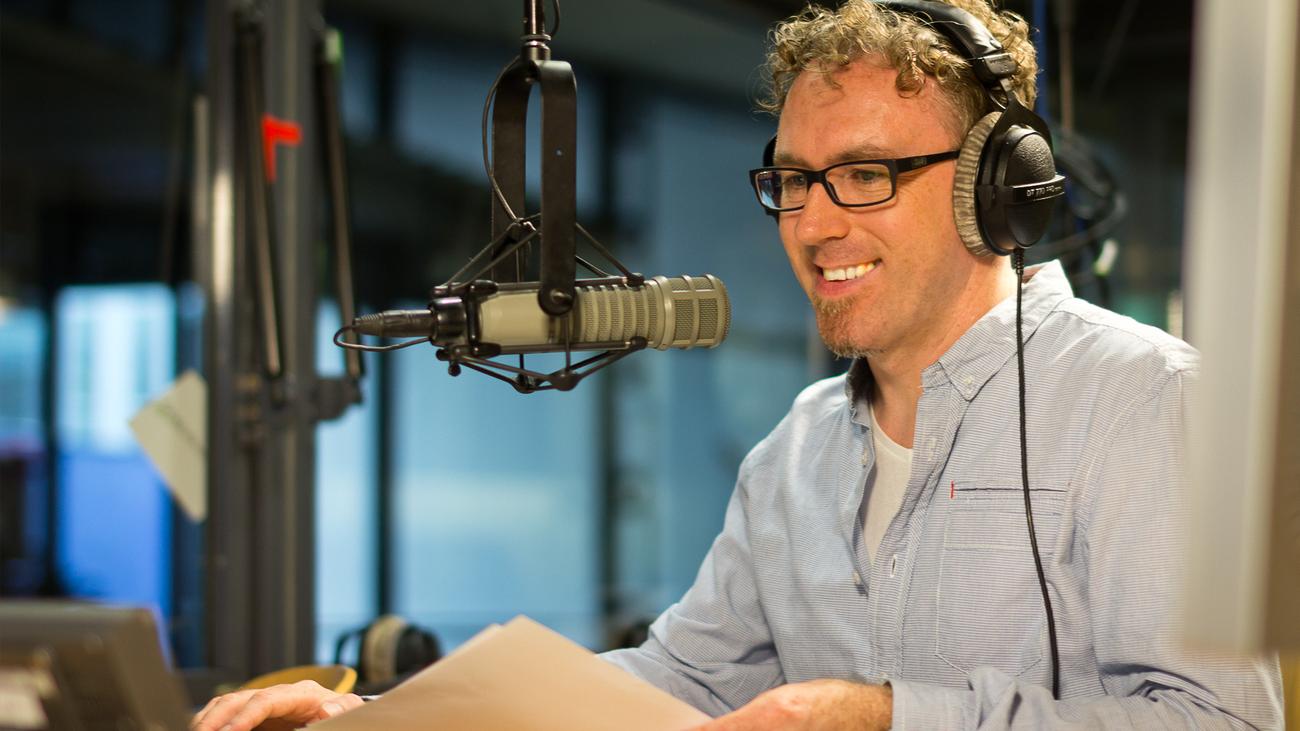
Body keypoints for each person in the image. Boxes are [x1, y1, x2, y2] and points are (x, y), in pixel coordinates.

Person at [192, 2, 1284, 729]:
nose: (815, 223)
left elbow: (1220, 719)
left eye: (866, 174)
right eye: (794, 180)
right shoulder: (798, 449)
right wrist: (391, 718)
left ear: (995, 188)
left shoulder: (1146, 402)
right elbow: (676, 682)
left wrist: (888, 715)